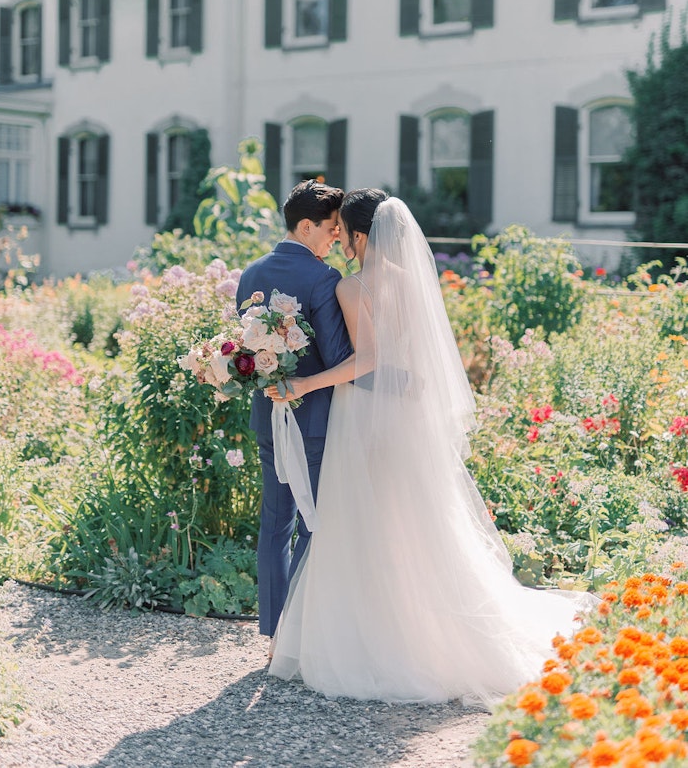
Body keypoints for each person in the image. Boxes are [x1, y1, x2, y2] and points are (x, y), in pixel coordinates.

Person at [266, 188, 594, 707]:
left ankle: (380, 637)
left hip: (365, 414)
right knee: (410, 522)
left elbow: (367, 360)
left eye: (344, 233)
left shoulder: (354, 288)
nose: (340, 241)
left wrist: (307, 385)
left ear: (360, 235)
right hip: (407, 416)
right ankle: (420, 628)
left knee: (366, 521)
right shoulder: (410, 282)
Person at [237, 179, 353, 643]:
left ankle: (273, 634)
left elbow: (244, 352)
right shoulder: (324, 279)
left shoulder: (250, 274)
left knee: (275, 522)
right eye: (331, 230)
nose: (336, 240)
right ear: (306, 226)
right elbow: (340, 353)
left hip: (268, 415)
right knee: (314, 522)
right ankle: (300, 635)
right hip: (315, 418)